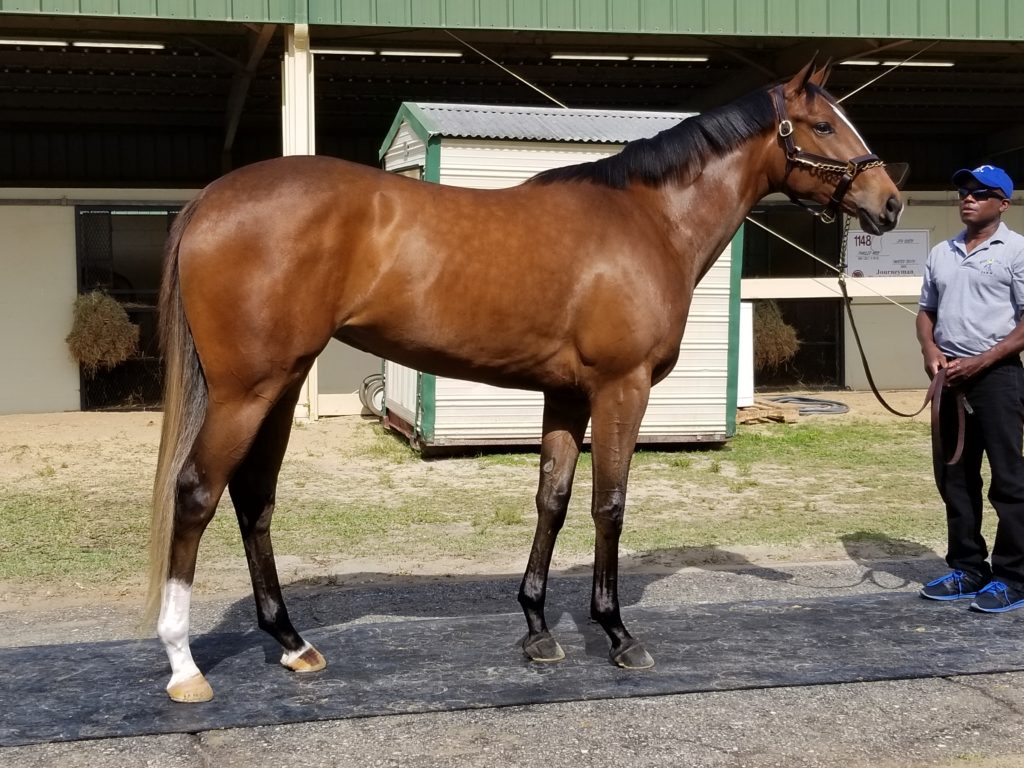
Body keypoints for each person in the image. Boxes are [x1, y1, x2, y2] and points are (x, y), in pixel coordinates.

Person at [917, 164, 1024, 612]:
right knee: (955, 478)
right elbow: (926, 312)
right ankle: (968, 568)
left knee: (1008, 480)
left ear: (1003, 202)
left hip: (997, 377)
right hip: (948, 379)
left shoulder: (1017, 251)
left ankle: (1013, 577)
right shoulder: (942, 252)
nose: (968, 198)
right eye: (963, 191)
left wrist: (982, 360)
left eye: (981, 193)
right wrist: (929, 350)